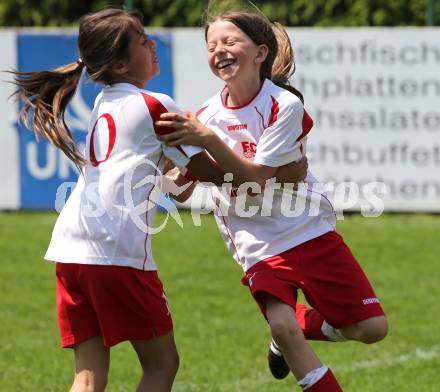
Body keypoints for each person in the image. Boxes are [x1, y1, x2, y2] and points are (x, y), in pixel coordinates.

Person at [11, 8, 307, 392]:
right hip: (117, 252)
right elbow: (216, 175)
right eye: (142, 40)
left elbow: (176, 180)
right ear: (120, 61)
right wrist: (280, 174)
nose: (153, 45)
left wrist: (176, 176)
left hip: (69, 250)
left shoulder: (105, 100)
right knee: (162, 365)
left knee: (86, 377)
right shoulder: (155, 105)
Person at [156, 7, 388, 392]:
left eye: (230, 41)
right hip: (257, 242)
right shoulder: (205, 116)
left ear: (261, 53)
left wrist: (207, 142)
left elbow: (255, 180)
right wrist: (164, 168)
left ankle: (287, 335)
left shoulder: (284, 105)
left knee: (372, 328)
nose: (219, 51)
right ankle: (286, 333)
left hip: (308, 228)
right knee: (281, 321)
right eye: (212, 45)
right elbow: (180, 189)